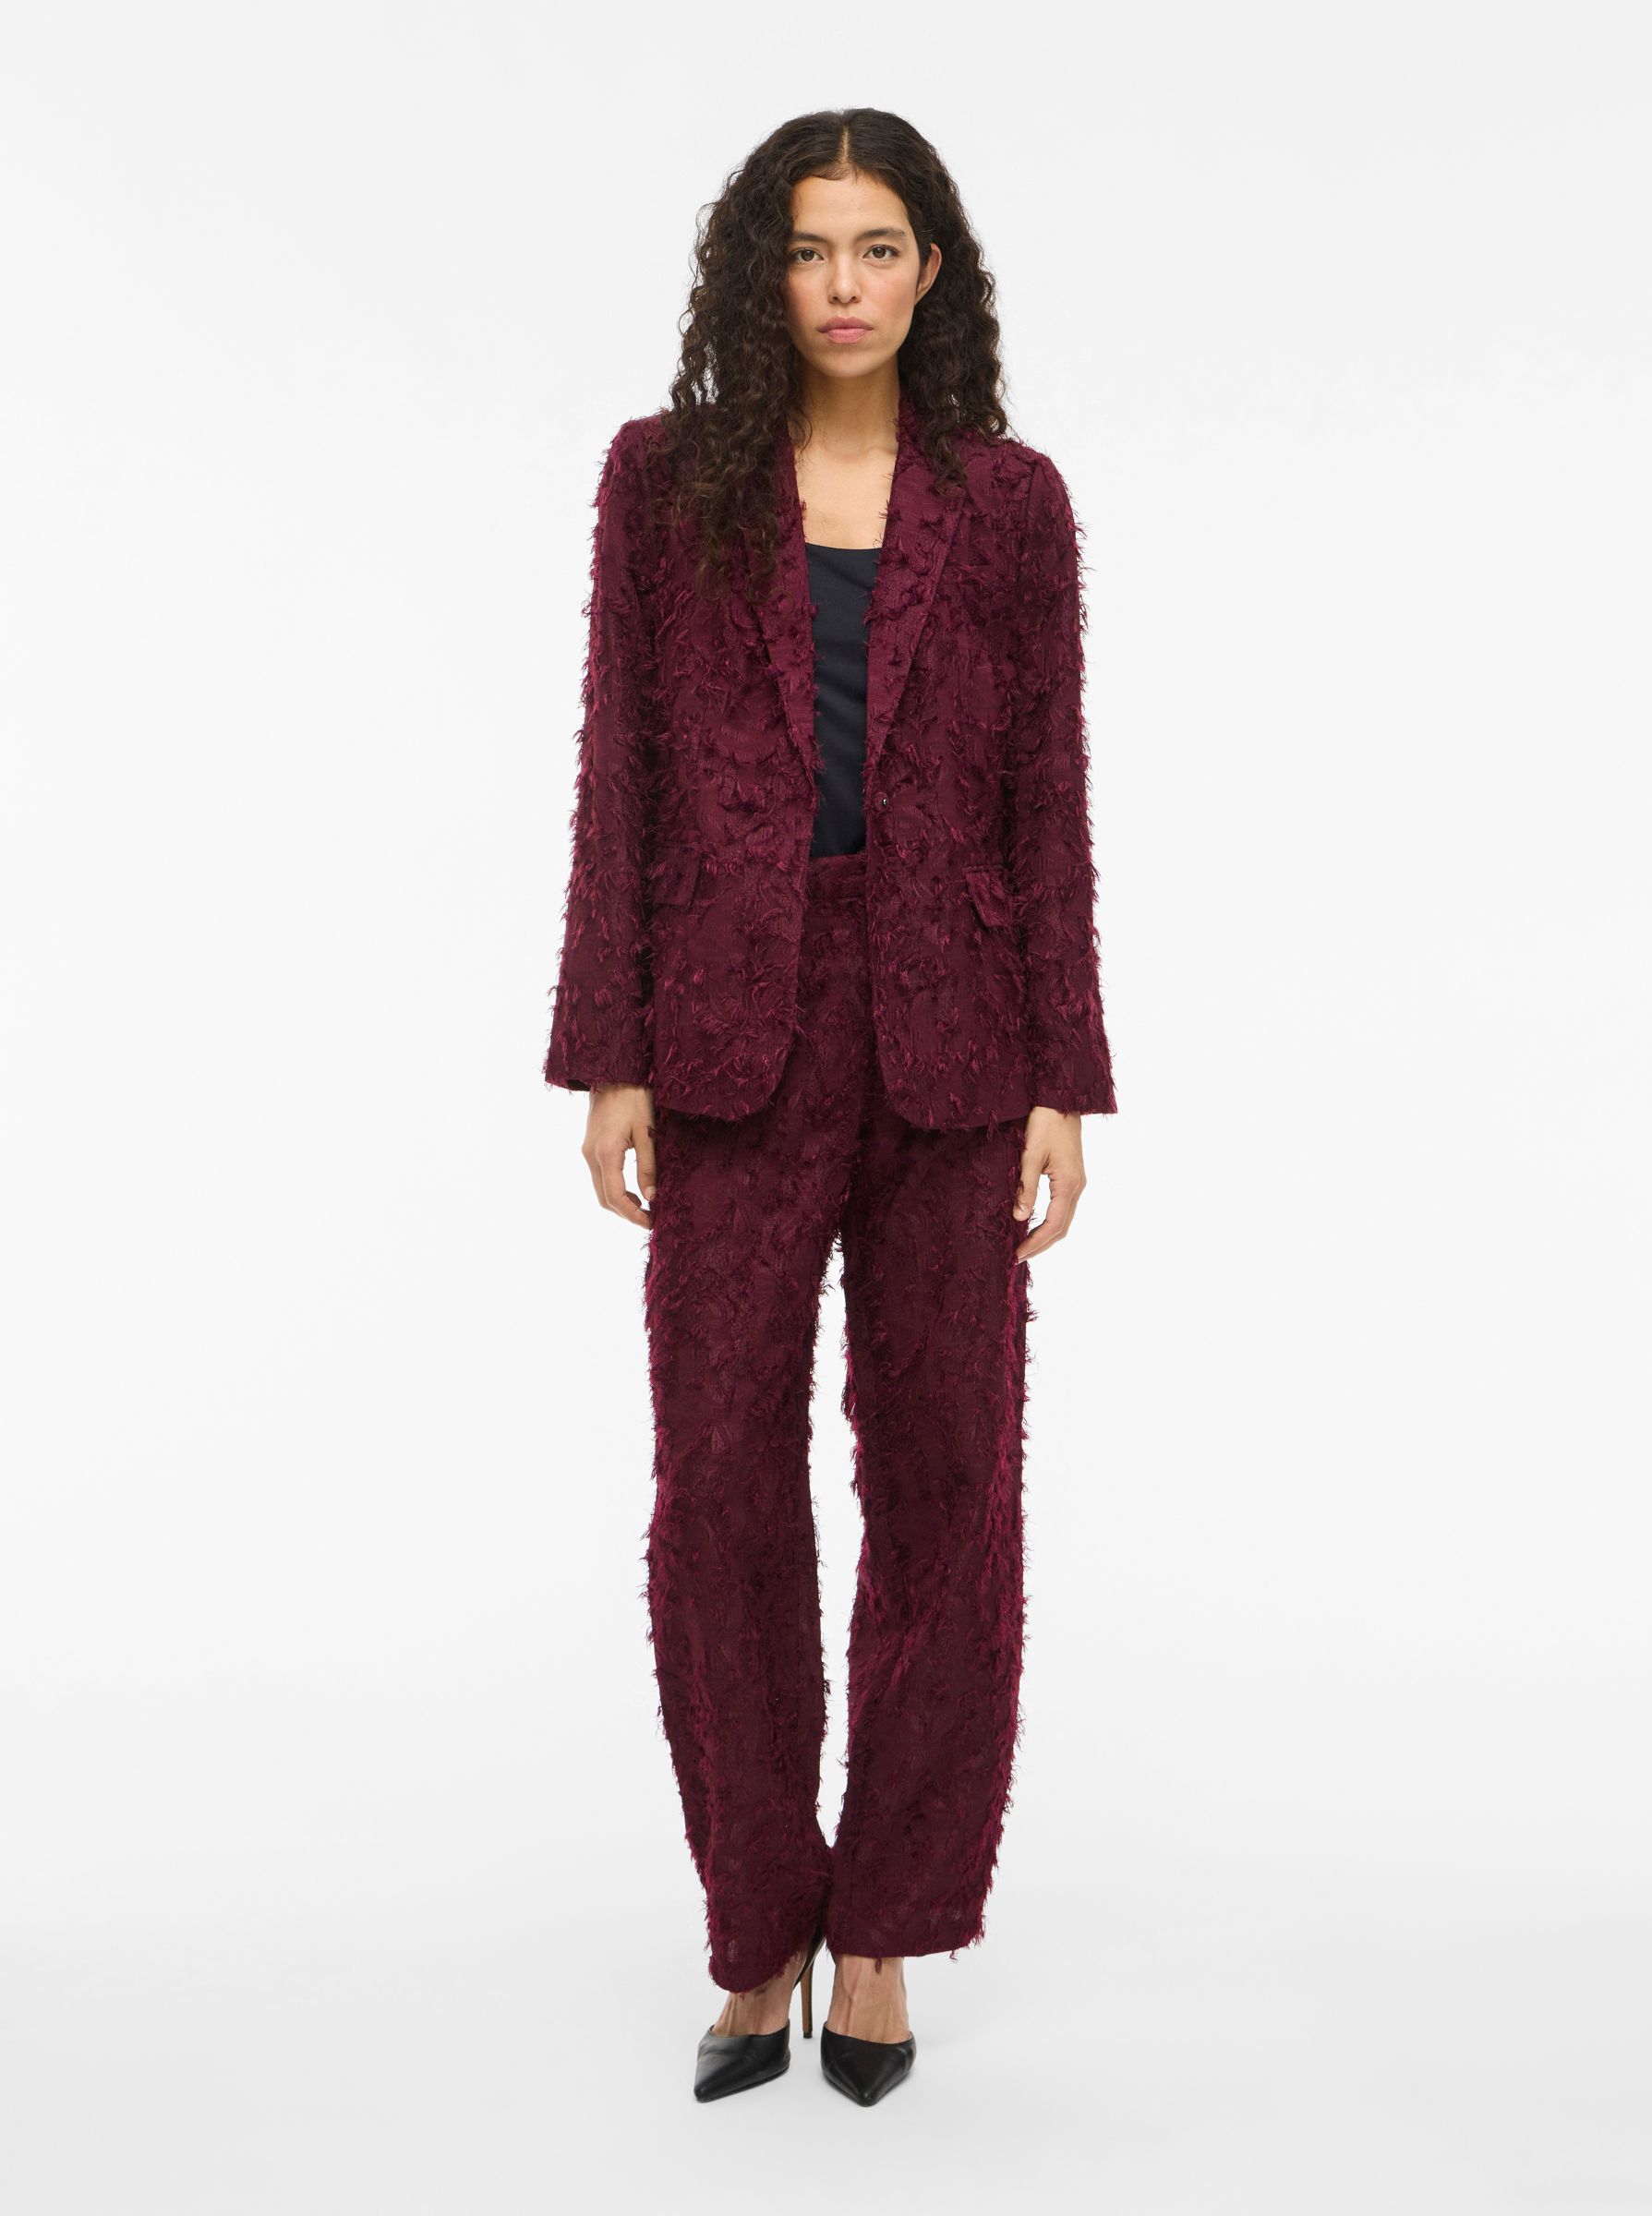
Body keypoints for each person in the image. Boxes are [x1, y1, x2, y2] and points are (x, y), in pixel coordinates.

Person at [542, 108, 1118, 2108]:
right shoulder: (665, 482)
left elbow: (1050, 791)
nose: (845, 285)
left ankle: (884, 1925)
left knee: (948, 1485)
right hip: (725, 1029)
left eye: (880, 248)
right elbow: (619, 768)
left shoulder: (1012, 505)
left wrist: (1066, 1076)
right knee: (718, 1486)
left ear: (933, 272)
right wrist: (607, 1048)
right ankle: (758, 1922)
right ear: (759, 274)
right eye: (810, 250)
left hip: (957, 1034)